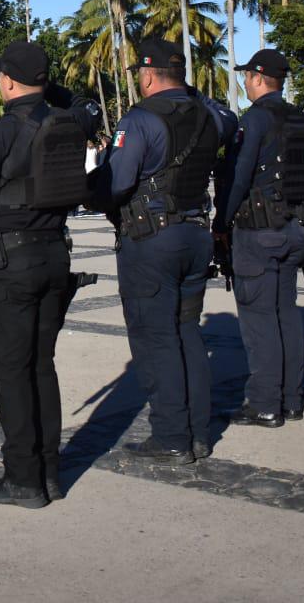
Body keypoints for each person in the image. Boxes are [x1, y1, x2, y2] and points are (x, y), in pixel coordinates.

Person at [0, 41, 101, 505]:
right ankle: (49, 472)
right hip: (54, 256)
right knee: (41, 369)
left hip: (8, 266)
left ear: (9, 81)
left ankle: (22, 478)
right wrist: (45, 88)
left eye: (2, 74)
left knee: (12, 376)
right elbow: (85, 105)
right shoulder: (72, 122)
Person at [95, 38, 228, 467]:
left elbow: (116, 185)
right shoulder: (209, 116)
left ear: (148, 76)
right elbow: (232, 125)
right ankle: (198, 433)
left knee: (157, 337)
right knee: (187, 331)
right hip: (195, 234)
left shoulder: (140, 120)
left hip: (152, 240)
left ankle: (172, 435)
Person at [221, 48, 304, 427]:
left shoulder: (256, 119)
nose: (244, 82)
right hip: (293, 226)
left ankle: (263, 403)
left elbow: (239, 176)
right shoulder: (298, 116)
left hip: (260, 229)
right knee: (286, 315)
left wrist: (221, 222)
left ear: (258, 78)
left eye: (247, 76)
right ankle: (291, 399)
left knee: (260, 320)